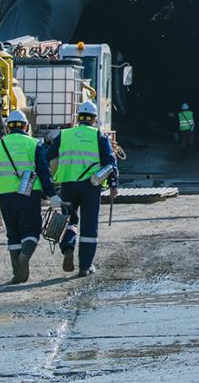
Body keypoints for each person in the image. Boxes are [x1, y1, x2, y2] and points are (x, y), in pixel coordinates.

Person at [0, 110, 62, 284]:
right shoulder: (34, 144)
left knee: (13, 233)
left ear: (8, 127)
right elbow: (43, 172)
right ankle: (25, 255)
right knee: (31, 230)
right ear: (26, 126)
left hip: (5, 195)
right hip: (28, 194)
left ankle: (17, 272)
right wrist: (52, 194)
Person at [47, 101, 117, 277]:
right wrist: (113, 185)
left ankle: (68, 248)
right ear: (94, 119)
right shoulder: (99, 136)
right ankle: (85, 266)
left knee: (69, 220)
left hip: (68, 185)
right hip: (91, 186)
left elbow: (47, 156)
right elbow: (110, 163)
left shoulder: (64, 135)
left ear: (78, 118)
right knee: (89, 225)